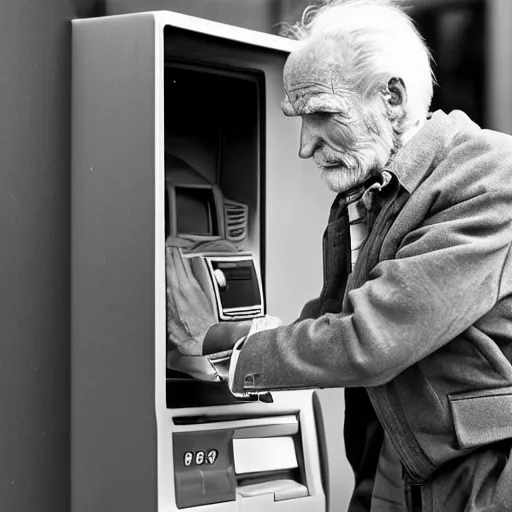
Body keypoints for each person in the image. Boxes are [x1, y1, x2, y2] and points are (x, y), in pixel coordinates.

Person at [204, 0, 512, 510]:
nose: (305, 146)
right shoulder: (375, 182)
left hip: (477, 481)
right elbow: (338, 311)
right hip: (392, 460)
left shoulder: (491, 178)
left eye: (324, 114)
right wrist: (244, 340)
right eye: (301, 119)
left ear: (392, 96)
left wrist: (242, 357)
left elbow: (375, 335)